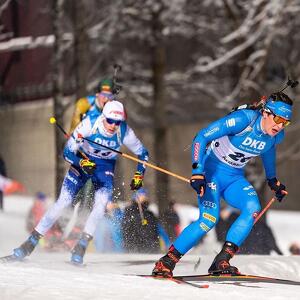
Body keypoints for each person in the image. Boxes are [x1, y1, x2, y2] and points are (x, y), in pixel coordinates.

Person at [152, 91, 293, 277]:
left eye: (285, 122)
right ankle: (167, 261)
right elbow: (201, 137)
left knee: (252, 208)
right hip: (211, 174)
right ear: (266, 113)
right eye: (278, 119)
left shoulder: (275, 135)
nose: (280, 126)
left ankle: (222, 260)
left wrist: (272, 180)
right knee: (209, 219)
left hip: (234, 178)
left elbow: (268, 150)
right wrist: (197, 172)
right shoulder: (243, 120)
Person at [11, 101, 149, 264]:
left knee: (101, 204)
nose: (113, 126)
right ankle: (30, 243)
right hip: (82, 161)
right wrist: (81, 162)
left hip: (104, 168)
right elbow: (67, 153)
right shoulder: (89, 123)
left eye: (117, 122)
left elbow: (143, 154)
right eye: (110, 121)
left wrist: (139, 174)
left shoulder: (124, 131)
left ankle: (81, 247)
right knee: (63, 202)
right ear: (103, 117)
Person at [122, 188, 170, 253]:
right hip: (136, 250)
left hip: (152, 249)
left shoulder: (150, 214)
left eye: (145, 195)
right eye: (142, 195)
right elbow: (126, 231)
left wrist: (167, 244)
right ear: (136, 197)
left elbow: (160, 230)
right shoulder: (129, 212)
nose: (144, 197)